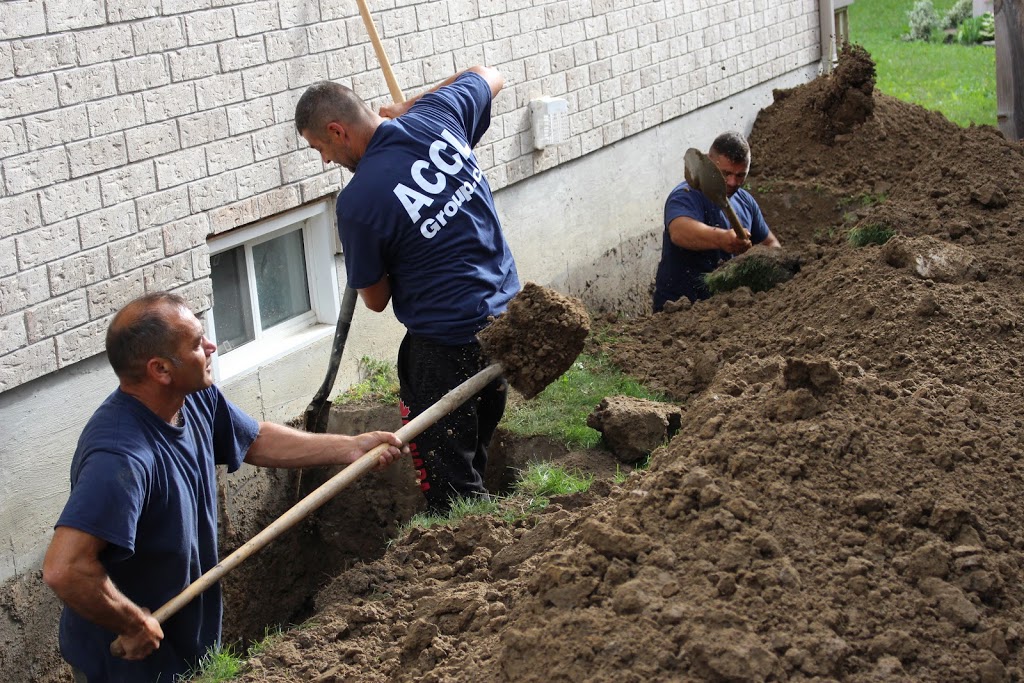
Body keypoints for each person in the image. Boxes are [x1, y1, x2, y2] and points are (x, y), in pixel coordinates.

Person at [42, 292, 406, 683]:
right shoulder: (121, 456)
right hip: (126, 664)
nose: (212, 347)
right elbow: (65, 568)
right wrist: (130, 623)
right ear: (160, 369)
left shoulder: (193, 398)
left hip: (186, 642)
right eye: (198, 343)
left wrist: (350, 446)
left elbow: (253, 440)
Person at [293, 66, 520, 514]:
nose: (324, 160)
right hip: (506, 319)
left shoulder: (359, 202)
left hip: (446, 344)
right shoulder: (439, 114)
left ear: (338, 131)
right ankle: (489, 529)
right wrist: (410, 106)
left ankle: (466, 559)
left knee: (448, 479)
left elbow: (375, 300)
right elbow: (489, 74)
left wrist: (401, 248)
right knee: (476, 440)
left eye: (320, 147)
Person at [653, 131, 781, 311]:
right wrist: (722, 239)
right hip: (680, 311)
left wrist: (758, 261)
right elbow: (679, 231)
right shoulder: (686, 195)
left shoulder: (745, 201)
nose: (732, 182)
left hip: (727, 313)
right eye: (725, 173)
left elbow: (771, 244)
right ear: (708, 162)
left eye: (740, 175)